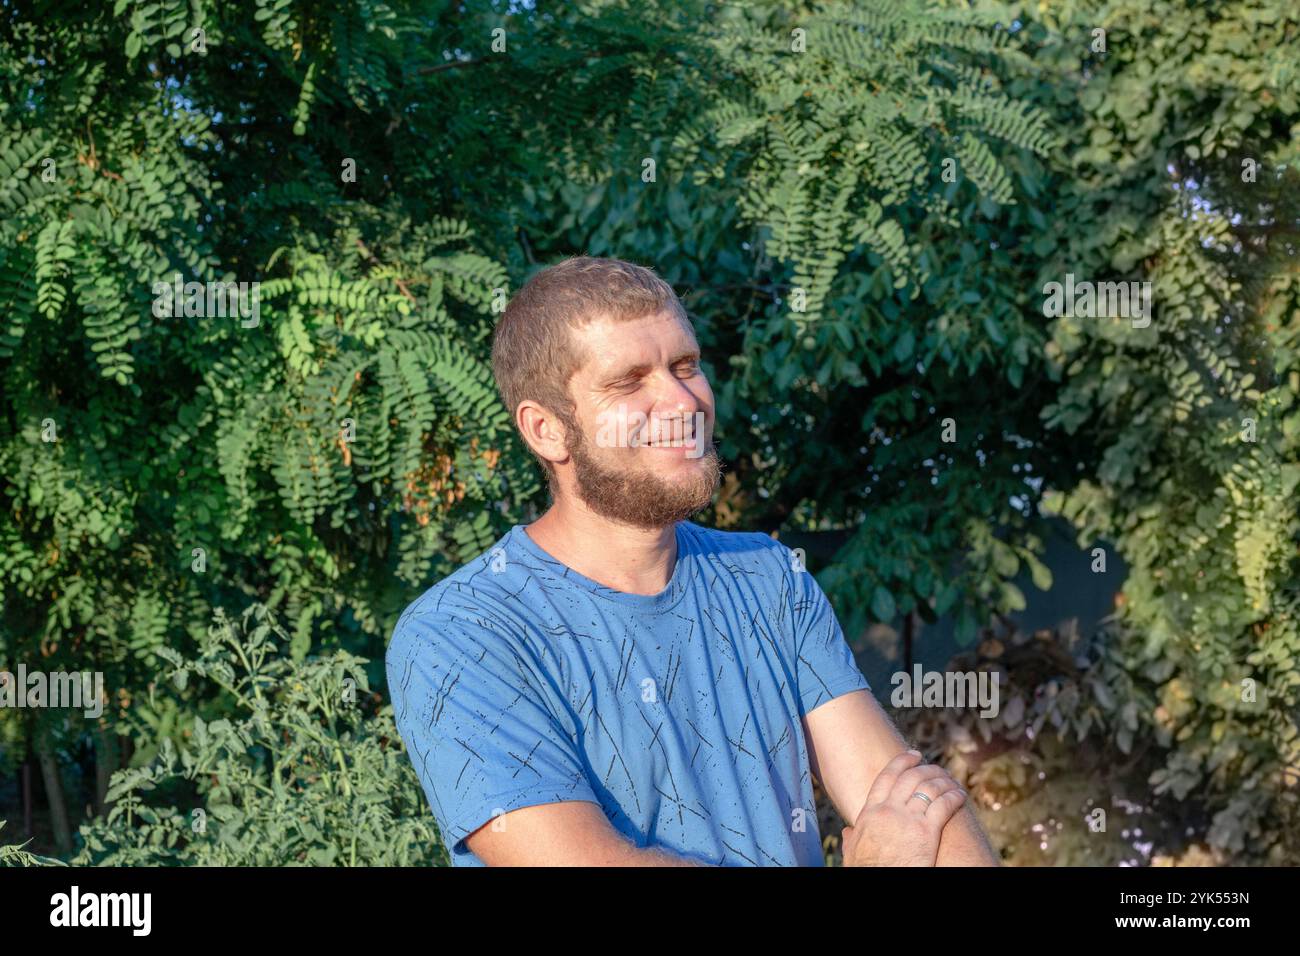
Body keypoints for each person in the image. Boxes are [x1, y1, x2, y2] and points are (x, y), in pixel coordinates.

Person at [386, 255, 998, 866]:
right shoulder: (463, 633)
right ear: (546, 430)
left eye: (685, 366)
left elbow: (923, 809)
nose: (682, 401)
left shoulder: (768, 578)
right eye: (629, 381)